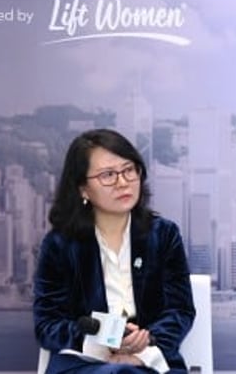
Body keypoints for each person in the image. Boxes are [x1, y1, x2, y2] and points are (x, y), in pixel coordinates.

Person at [33, 129, 196, 374]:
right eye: (108, 175)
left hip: (148, 360)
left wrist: (146, 344)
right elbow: (47, 324)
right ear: (83, 189)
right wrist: (102, 338)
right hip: (83, 362)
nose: (123, 182)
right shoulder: (60, 244)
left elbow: (180, 310)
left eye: (129, 170)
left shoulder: (163, 235)